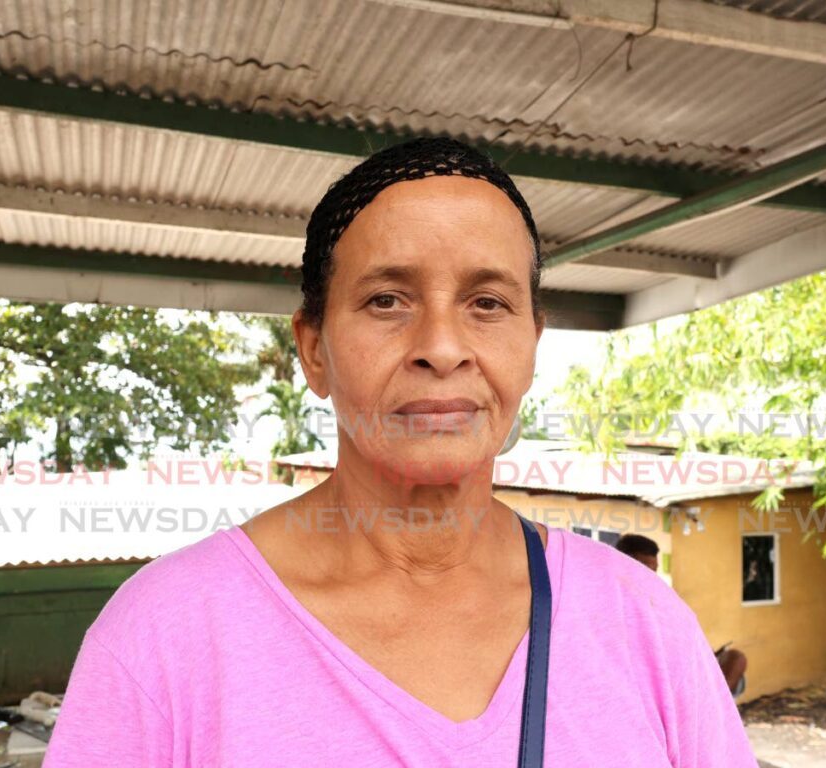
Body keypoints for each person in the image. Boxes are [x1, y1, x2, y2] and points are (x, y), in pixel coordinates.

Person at [43, 137, 758, 766]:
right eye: (387, 300)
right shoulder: (167, 639)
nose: (442, 349)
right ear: (313, 349)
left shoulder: (642, 625)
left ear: (533, 344)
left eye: (487, 303)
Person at [615, 533, 748, 698]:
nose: (651, 577)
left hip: (680, 668)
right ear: (623, 562)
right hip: (649, 679)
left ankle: (717, 702)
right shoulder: (612, 601)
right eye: (645, 569)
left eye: (654, 570)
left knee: (735, 658)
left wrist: (701, 654)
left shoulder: (658, 598)